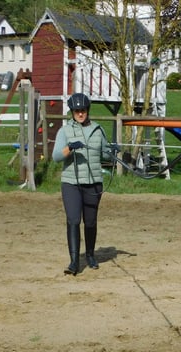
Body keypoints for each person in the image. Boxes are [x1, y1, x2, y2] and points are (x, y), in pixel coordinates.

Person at [52, 93, 112, 275]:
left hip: (94, 183)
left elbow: (106, 155)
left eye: (83, 110)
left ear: (87, 111)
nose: (80, 113)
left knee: (91, 222)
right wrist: (69, 148)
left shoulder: (98, 130)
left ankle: (91, 255)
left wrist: (113, 151)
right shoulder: (64, 131)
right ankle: (74, 262)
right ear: (72, 112)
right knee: (73, 220)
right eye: (77, 111)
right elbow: (56, 157)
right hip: (71, 183)